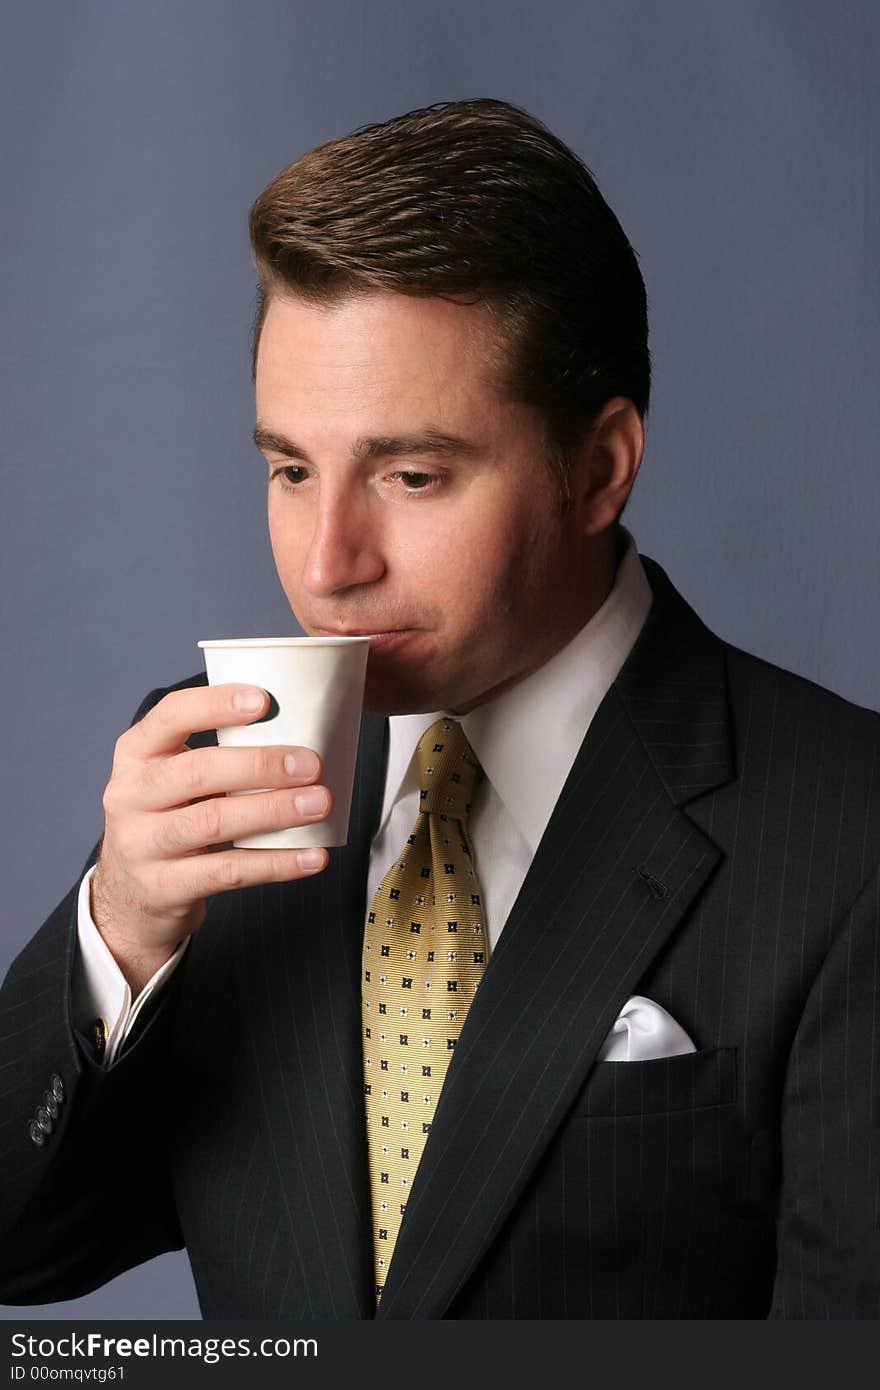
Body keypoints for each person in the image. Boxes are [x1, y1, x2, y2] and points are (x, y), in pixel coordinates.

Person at [1, 97, 878, 1321]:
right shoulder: (219, 769)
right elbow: (20, 1249)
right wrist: (122, 932)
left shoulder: (847, 836)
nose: (324, 563)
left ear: (598, 469)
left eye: (411, 476)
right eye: (289, 469)